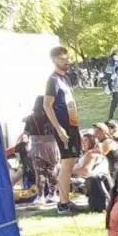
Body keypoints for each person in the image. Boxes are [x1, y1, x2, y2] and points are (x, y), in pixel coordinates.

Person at [43, 46, 82, 214]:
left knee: (71, 161)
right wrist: (59, 128)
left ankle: (66, 199)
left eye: (67, 60)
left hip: (72, 124)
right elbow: (47, 105)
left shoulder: (64, 79)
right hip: (63, 127)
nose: (66, 63)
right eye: (62, 60)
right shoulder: (52, 80)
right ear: (54, 60)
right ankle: (63, 203)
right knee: (66, 164)